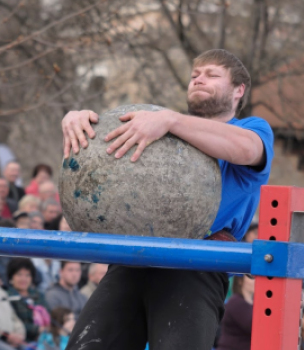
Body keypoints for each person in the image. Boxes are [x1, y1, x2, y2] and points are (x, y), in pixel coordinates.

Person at [61, 49, 274, 350]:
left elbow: (247, 150)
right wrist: (82, 122)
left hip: (197, 264)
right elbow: (108, 155)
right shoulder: (159, 127)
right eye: (194, 75)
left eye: (212, 74)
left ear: (239, 90)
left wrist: (169, 120)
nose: (199, 79)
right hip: (133, 259)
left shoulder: (251, 128)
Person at [6, 258, 50, 342]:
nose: (24, 279)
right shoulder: (8, 297)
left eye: (27, 275)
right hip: (22, 341)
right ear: (11, 277)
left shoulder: (38, 294)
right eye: (19, 274)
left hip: (45, 339)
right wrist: (38, 329)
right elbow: (13, 323)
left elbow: (49, 314)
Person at [216, 275, 254, 350]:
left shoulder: (252, 304)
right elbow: (253, 326)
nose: (255, 281)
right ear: (240, 281)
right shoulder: (236, 303)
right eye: (251, 278)